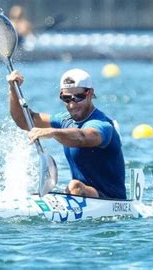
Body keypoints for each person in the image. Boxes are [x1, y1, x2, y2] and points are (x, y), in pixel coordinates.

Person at [7, 68, 126, 199]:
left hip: (112, 199)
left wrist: (53, 132)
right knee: (74, 187)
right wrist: (13, 89)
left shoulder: (102, 124)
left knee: (74, 186)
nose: (72, 104)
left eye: (79, 97)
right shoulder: (64, 120)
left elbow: (82, 137)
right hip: (82, 194)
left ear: (90, 93)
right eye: (66, 98)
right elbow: (24, 120)